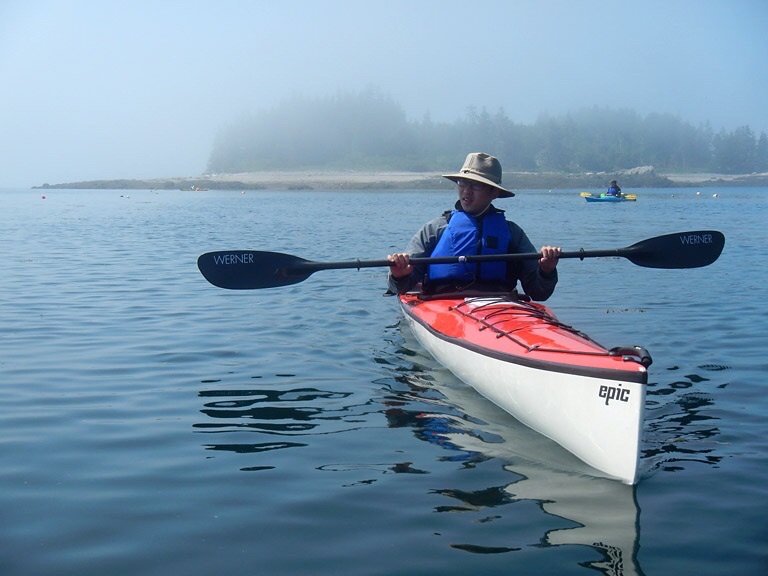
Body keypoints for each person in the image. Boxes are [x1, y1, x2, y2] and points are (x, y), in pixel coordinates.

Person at [387, 152, 561, 301]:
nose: (466, 191)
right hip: (443, 302)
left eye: (475, 185)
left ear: (494, 192)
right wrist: (399, 275)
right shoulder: (435, 229)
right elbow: (401, 287)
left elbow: (539, 292)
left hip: (500, 305)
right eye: (462, 183)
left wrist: (546, 270)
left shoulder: (512, 233)